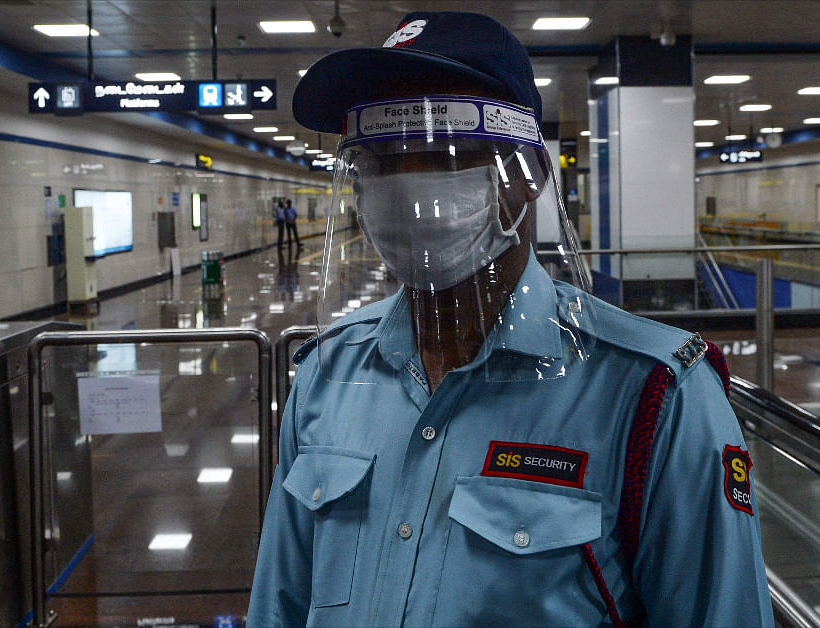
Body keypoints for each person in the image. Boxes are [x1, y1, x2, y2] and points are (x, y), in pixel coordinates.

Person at [248, 11, 772, 628]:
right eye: (381, 159)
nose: (405, 185)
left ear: (529, 177)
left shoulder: (653, 396)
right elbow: (279, 604)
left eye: (441, 153)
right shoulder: (327, 376)